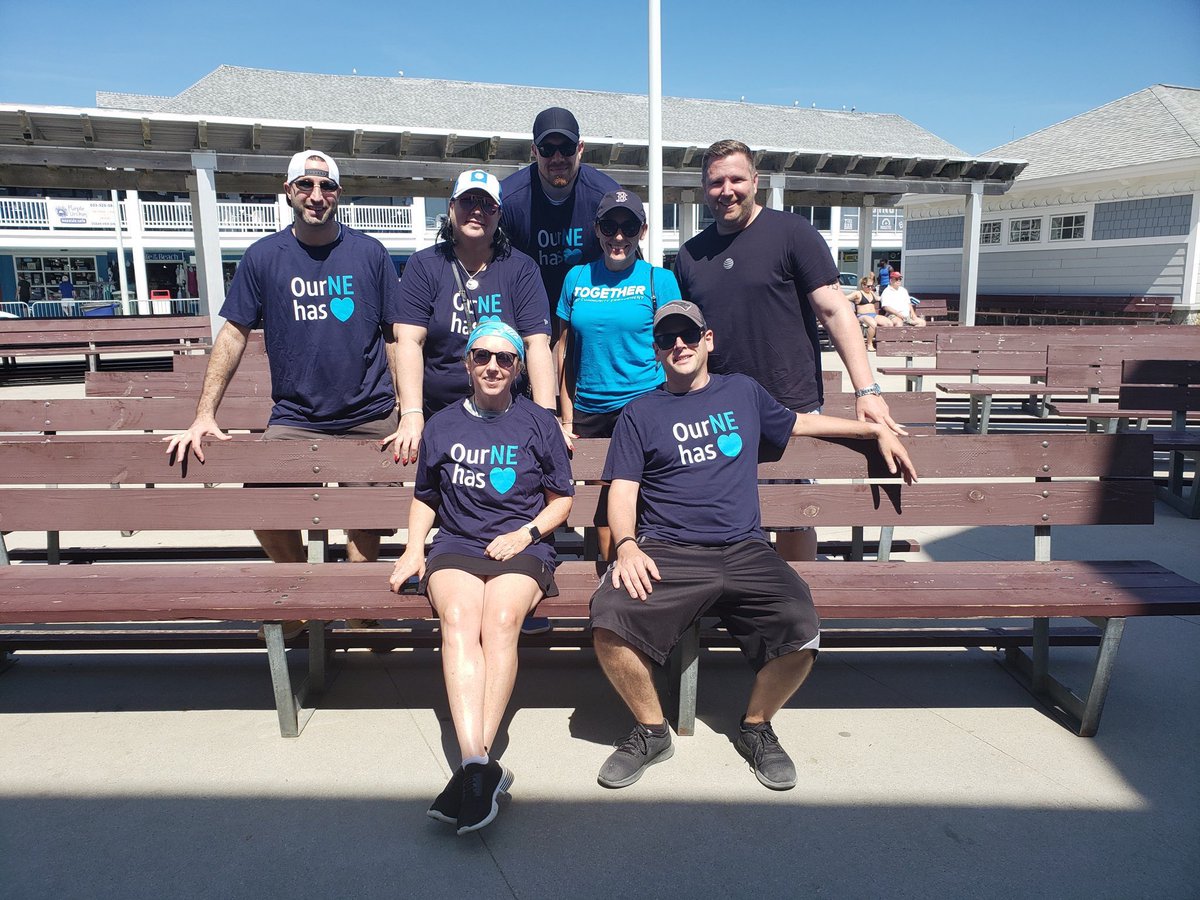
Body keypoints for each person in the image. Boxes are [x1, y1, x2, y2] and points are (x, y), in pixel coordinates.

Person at [589, 300, 916, 791]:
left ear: (708, 340)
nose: (678, 345)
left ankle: (757, 727)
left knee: (801, 626)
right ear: (656, 350)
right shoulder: (641, 413)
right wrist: (628, 545)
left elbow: (801, 422)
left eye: (688, 335)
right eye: (666, 339)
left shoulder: (741, 392)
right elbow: (623, 489)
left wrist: (872, 429)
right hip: (669, 550)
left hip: (745, 549)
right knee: (608, 617)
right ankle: (652, 731)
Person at [165, 150, 403, 632]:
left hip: (369, 410)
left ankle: (358, 603)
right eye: (306, 185)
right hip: (295, 415)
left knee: (367, 511)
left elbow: (395, 334)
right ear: (289, 191)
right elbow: (233, 333)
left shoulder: (370, 253)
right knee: (262, 498)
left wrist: (407, 408)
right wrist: (204, 413)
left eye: (327, 186)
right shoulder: (263, 257)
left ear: (339, 194)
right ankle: (299, 591)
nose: (317, 195)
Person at [673, 139, 901, 561]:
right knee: (732, 518)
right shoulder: (689, 256)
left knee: (796, 516)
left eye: (737, 179)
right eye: (716, 182)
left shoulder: (792, 233)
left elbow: (835, 312)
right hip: (722, 411)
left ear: (755, 182)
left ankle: (796, 608)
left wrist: (866, 391)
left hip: (791, 404)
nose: (728, 190)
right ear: (704, 188)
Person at [389, 320, 574, 835]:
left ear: (517, 368)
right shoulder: (443, 424)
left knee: (501, 618)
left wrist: (526, 533)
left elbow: (563, 500)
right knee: (457, 616)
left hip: (523, 547)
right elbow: (426, 496)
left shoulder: (539, 423)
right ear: (467, 364)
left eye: (505, 359)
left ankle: (473, 767)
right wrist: (411, 549)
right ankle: (479, 765)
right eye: (482, 357)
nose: (493, 366)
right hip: (457, 546)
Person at [557, 190, 681, 559]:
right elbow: (563, 350)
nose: (619, 236)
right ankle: (608, 580)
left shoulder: (660, 281)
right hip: (589, 411)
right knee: (600, 508)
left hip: (644, 408)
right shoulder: (576, 277)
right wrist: (564, 416)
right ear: (597, 229)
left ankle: (643, 582)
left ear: (642, 230)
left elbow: (678, 350)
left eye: (629, 226)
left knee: (644, 501)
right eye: (610, 226)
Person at [499, 107, 621, 335]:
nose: (557, 158)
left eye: (566, 148)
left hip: (590, 315)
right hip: (525, 318)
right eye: (547, 149)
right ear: (534, 151)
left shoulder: (606, 197)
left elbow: (626, 263)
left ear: (580, 149)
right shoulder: (508, 200)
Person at [847, 273, 892, 350]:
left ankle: (882, 342)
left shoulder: (871, 293)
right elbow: (846, 298)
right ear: (863, 285)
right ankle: (869, 344)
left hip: (873, 315)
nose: (870, 288)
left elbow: (879, 298)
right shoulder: (858, 293)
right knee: (873, 324)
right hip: (862, 316)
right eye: (868, 286)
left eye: (872, 286)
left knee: (889, 323)